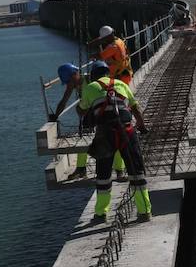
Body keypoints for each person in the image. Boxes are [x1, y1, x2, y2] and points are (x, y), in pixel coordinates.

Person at [78, 60, 152, 222]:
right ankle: (144, 211)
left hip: (105, 134)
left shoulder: (90, 88)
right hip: (127, 131)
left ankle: (100, 214)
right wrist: (141, 126)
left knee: (103, 175)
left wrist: (85, 100)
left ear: (93, 76)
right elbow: (135, 108)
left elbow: (81, 111)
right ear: (107, 73)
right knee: (136, 173)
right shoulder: (120, 84)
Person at [51, 61, 125, 180]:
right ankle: (81, 169)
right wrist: (55, 116)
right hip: (88, 112)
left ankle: (119, 170)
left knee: (113, 139)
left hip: (104, 111)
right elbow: (64, 101)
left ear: (75, 74)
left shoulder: (92, 79)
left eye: (70, 81)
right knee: (83, 139)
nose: (70, 85)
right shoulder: (73, 84)